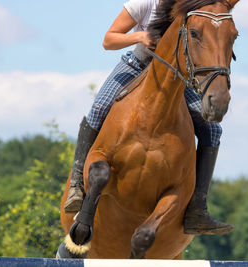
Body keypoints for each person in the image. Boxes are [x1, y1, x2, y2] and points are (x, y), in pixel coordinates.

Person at [64, 0, 233, 235]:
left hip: (175, 75)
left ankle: (197, 208)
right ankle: (76, 185)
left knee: (213, 131)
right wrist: (140, 37)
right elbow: (108, 39)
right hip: (138, 64)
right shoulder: (144, 3)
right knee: (99, 107)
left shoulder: (194, 6)